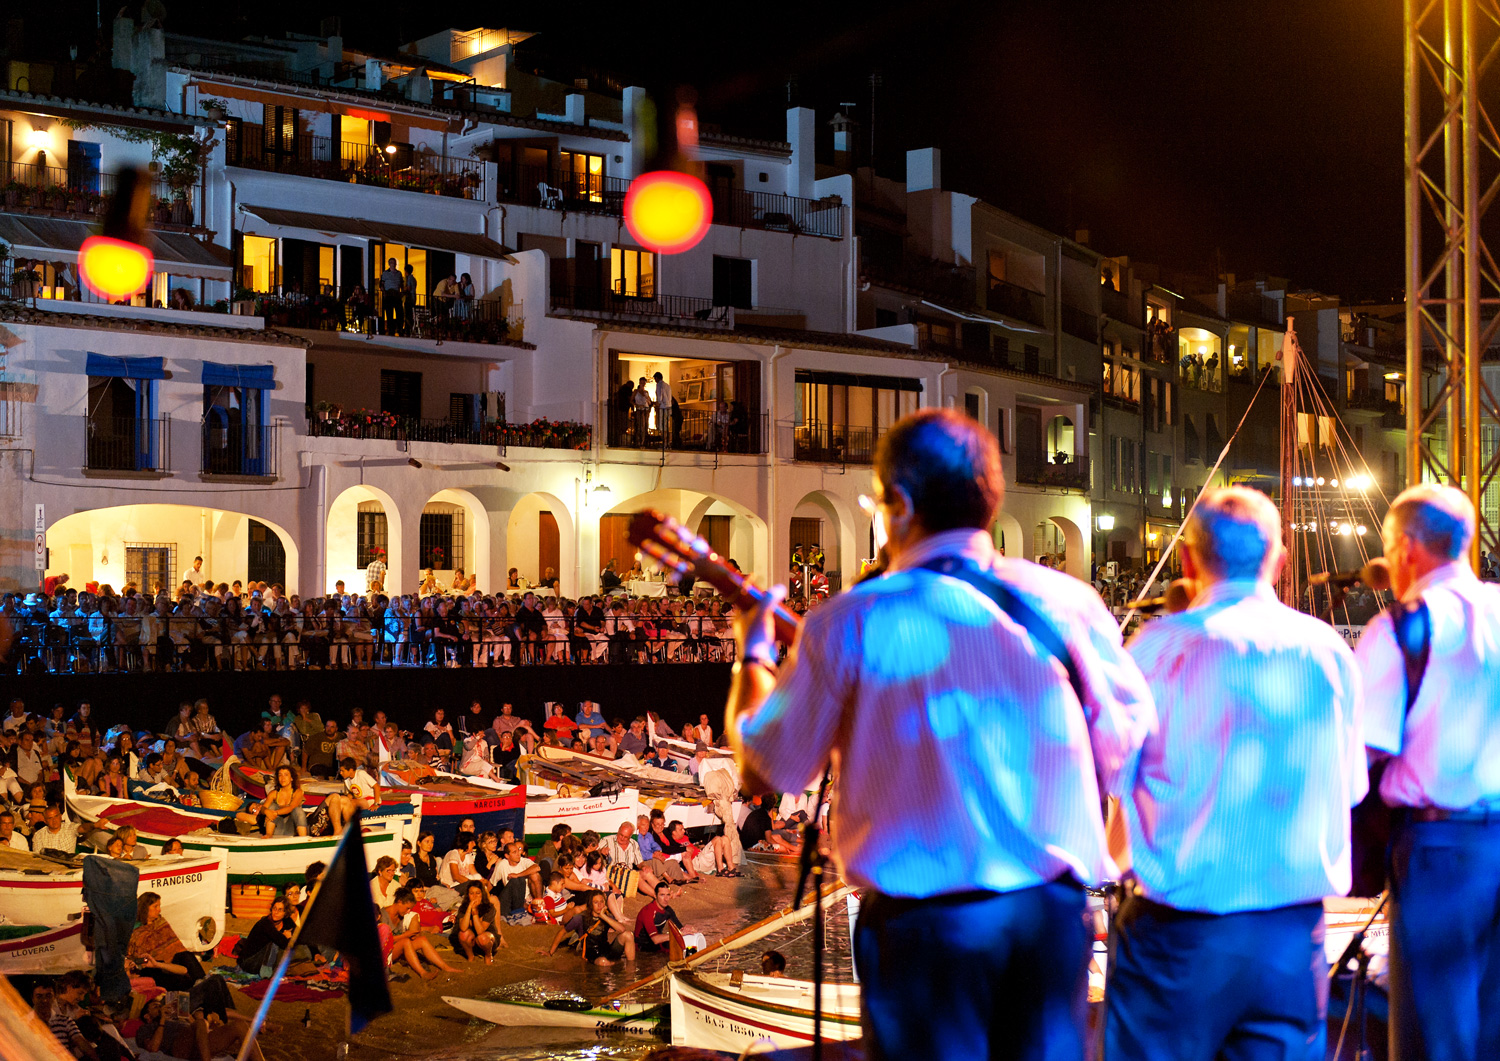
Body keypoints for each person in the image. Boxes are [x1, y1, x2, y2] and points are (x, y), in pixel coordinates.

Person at [728, 408, 1155, 1061]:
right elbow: (1126, 745)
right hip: (1049, 916)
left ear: (898, 503)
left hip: (923, 927)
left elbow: (766, 767)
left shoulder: (851, 618)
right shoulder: (1069, 603)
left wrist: (752, 655)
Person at [1104, 487, 1366, 1061]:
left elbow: (1116, 784)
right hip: (1290, 937)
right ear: (1279, 556)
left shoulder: (1158, 648)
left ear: (1188, 561)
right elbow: (1350, 788)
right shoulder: (1327, 650)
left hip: (1181, 934)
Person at [1354, 484, 1500, 1061]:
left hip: (1441, 849)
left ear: (1407, 547)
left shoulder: (1402, 629)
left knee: (1436, 1028)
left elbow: (1358, 752)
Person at [128, 891, 208, 990]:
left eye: (159, 906)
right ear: (145, 908)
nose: (159, 910)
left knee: (185, 955)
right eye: (155, 906)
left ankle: (205, 982)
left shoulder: (160, 922)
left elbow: (173, 944)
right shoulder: (135, 930)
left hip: (170, 962)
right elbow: (134, 955)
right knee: (181, 981)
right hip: (152, 967)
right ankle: (201, 989)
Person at [382, 886, 456, 980]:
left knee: (422, 940)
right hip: (385, 954)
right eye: (407, 908)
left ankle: (445, 967)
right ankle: (423, 973)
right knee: (405, 941)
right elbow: (384, 942)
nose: (408, 911)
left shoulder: (400, 914)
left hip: (397, 947)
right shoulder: (383, 915)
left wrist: (412, 935)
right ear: (400, 902)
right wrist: (406, 935)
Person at [450, 880, 506, 963]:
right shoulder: (464, 908)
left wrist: (475, 912)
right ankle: (470, 956)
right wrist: (469, 909)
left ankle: (488, 955)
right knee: (463, 934)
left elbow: (480, 931)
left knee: (482, 938)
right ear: (468, 895)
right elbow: (463, 927)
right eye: (471, 893)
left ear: (482, 894)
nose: (474, 896)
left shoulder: (489, 908)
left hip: (487, 940)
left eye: (478, 893)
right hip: (472, 941)